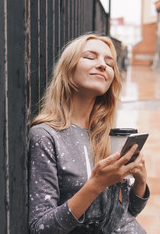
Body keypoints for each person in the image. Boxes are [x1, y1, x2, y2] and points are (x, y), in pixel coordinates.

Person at [28, 34, 150, 234]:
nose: (102, 65)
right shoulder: (46, 135)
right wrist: (96, 184)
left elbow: (124, 214)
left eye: (109, 62)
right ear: (68, 69)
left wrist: (140, 181)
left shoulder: (104, 134)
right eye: (90, 57)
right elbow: (41, 228)